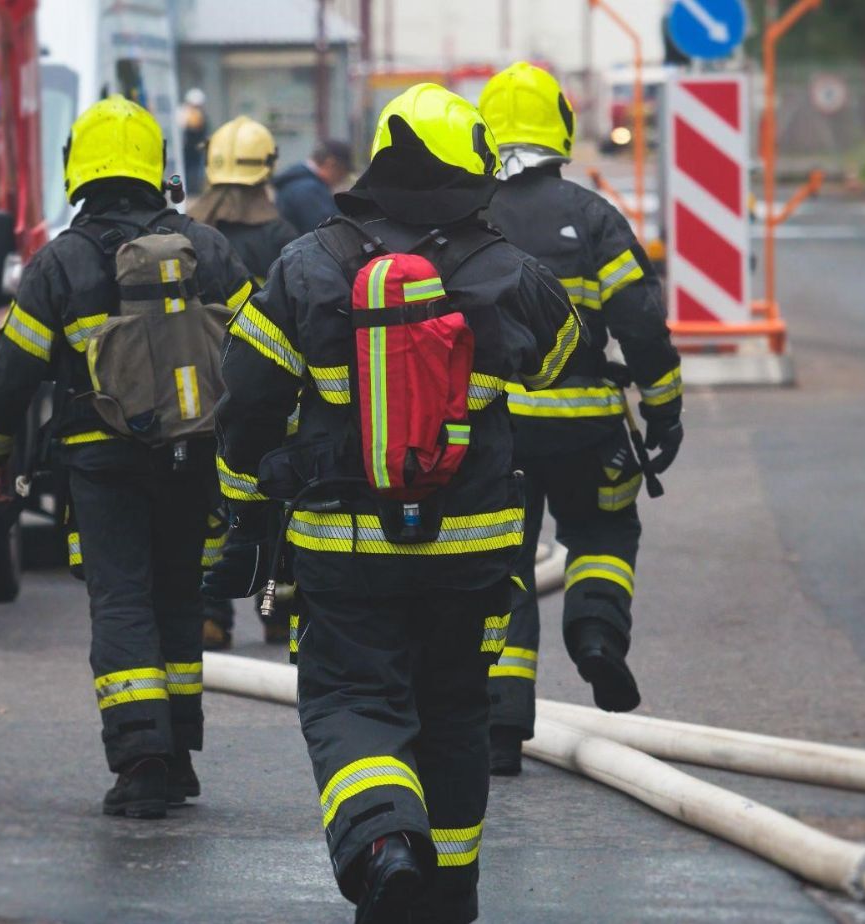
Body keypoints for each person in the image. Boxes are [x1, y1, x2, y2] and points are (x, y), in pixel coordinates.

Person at [204, 84, 579, 923]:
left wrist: (246, 501)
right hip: (473, 548)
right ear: (470, 169)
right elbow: (560, 357)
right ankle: (447, 894)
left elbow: (246, 401)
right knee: (453, 710)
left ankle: (382, 847)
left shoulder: (309, 263)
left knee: (351, 700)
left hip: (344, 545)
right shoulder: (504, 268)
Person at [0, 96, 254, 820]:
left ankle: (142, 760)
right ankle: (180, 752)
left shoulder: (61, 262)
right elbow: (262, 351)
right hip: (194, 454)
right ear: (155, 167)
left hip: (103, 462)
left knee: (122, 599)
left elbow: (9, 378)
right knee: (178, 596)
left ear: (80, 169)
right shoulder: (209, 249)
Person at [478, 62, 683, 776]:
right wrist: (664, 410)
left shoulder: (464, 219)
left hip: (493, 435)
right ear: (559, 129)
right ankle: (596, 634)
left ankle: (500, 728)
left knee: (499, 564)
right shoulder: (592, 216)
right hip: (587, 425)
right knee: (601, 530)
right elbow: (641, 323)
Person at [187, 114, 298, 650]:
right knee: (272, 497)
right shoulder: (282, 236)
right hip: (267, 395)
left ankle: (210, 615)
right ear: (266, 169)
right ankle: (278, 609)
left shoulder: (188, 232)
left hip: (196, 394)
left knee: (210, 505)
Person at [273, 138, 352, 234]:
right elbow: (327, 233)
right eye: (343, 172)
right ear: (331, 164)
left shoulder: (298, 182)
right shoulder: (309, 190)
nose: (342, 179)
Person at [179, 88, 210, 195]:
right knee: (188, 170)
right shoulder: (183, 114)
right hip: (186, 149)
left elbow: (204, 133)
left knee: (197, 170)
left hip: (197, 149)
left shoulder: (203, 116)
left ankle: (195, 190)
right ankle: (189, 190)